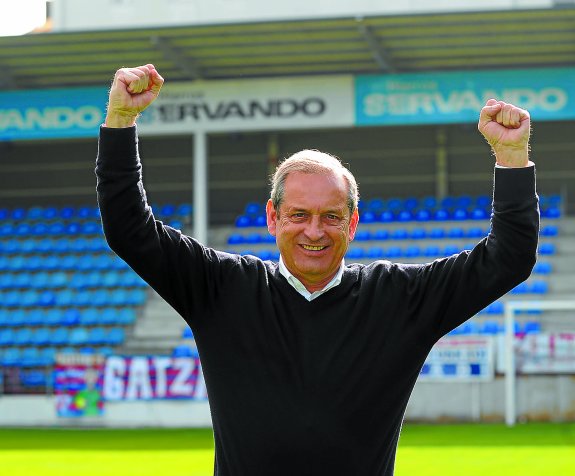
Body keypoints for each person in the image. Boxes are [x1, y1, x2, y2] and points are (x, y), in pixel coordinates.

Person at [96, 64, 539, 476]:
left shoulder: (400, 298)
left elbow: (509, 257)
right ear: (272, 218)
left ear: (353, 223)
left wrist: (512, 157)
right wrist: (120, 121)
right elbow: (129, 229)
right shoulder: (221, 287)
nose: (314, 231)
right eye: (298, 215)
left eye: (330, 216)